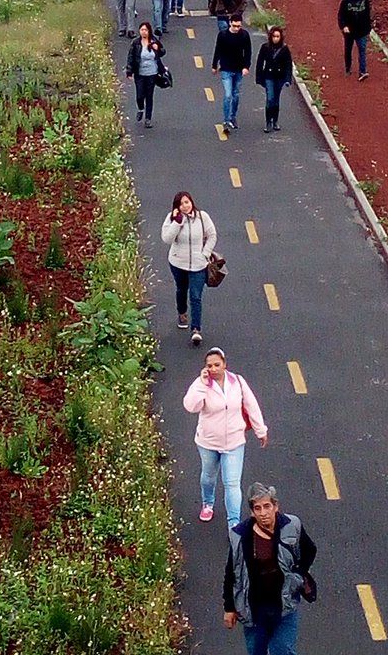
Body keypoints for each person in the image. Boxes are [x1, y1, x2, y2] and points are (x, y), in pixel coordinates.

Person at [223, 483, 317, 654]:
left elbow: (309, 550)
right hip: (254, 609)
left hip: (284, 604)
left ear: (275, 506)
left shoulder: (291, 525)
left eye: (267, 506)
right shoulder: (240, 535)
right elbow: (231, 572)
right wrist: (229, 608)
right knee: (256, 651)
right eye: (257, 508)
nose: (263, 513)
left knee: (282, 649)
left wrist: (297, 575)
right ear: (252, 512)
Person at [183, 348, 268, 530]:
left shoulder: (238, 382)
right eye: (209, 366)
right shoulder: (202, 384)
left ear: (224, 364)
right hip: (208, 442)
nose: (213, 369)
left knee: (232, 483)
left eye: (217, 364)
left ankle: (234, 522)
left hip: (234, 442)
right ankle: (208, 503)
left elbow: (251, 405)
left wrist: (260, 430)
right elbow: (190, 406)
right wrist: (202, 385)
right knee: (208, 477)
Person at [161, 191, 217, 345]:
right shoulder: (172, 218)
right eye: (181, 204)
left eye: (187, 202)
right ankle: (182, 312)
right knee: (181, 289)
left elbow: (212, 235)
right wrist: (177, 222)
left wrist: (205, 254)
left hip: (199, 264)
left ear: (191, 202)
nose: (185, 206)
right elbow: (167, 239)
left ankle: (196, 329)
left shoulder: (202, 217)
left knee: (196, 296)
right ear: (176, 207)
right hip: (178, 263)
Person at [212, 15, 252, 133]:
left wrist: (246, 67)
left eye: (238, 26)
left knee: (236, 94)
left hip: (239, 69)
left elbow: (248, 52)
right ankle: (226, 120)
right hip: (226, 68)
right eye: (234, 26)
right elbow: (218, 50)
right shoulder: (223, 35)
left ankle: (233, 116)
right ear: (230, 23)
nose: (236, 28)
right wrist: (214, 65)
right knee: (228, 95)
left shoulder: (244, 35)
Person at [126, 22, 165, 129]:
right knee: (139, 95)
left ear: (149, 31)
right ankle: (140, 108)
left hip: (152, 73)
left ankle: (148, 118)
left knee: (149, 96)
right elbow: (131, 57)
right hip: (139, 73)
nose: (143, 32)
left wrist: (158, 49)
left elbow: (162, 52)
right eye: (142, 30)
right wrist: (129, 71)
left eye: (145, 30)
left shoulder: (154, 41)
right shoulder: (136, 43)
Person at [255, 27, 293, 132]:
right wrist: (258, 77)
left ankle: (275, 121)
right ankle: (268, 122)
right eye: (274, 36)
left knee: (276, 100)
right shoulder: (265, 47)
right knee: (270, 98)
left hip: (280, 77)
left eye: (277, 37)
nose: (275, 39)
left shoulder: (284, 49)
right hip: (269, 76)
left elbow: (288, 64)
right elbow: (260, 62)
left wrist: (288, 79)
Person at [337, 0, 372, 80]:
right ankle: (348, 67)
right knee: (348, 49)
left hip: (362, 31)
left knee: (362, 50)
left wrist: (368, 28)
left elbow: (367, 15)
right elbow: (341, 15)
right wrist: (343, 26)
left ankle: (362, 72)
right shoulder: (346, 1)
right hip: (349, 31)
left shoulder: (365, 0)